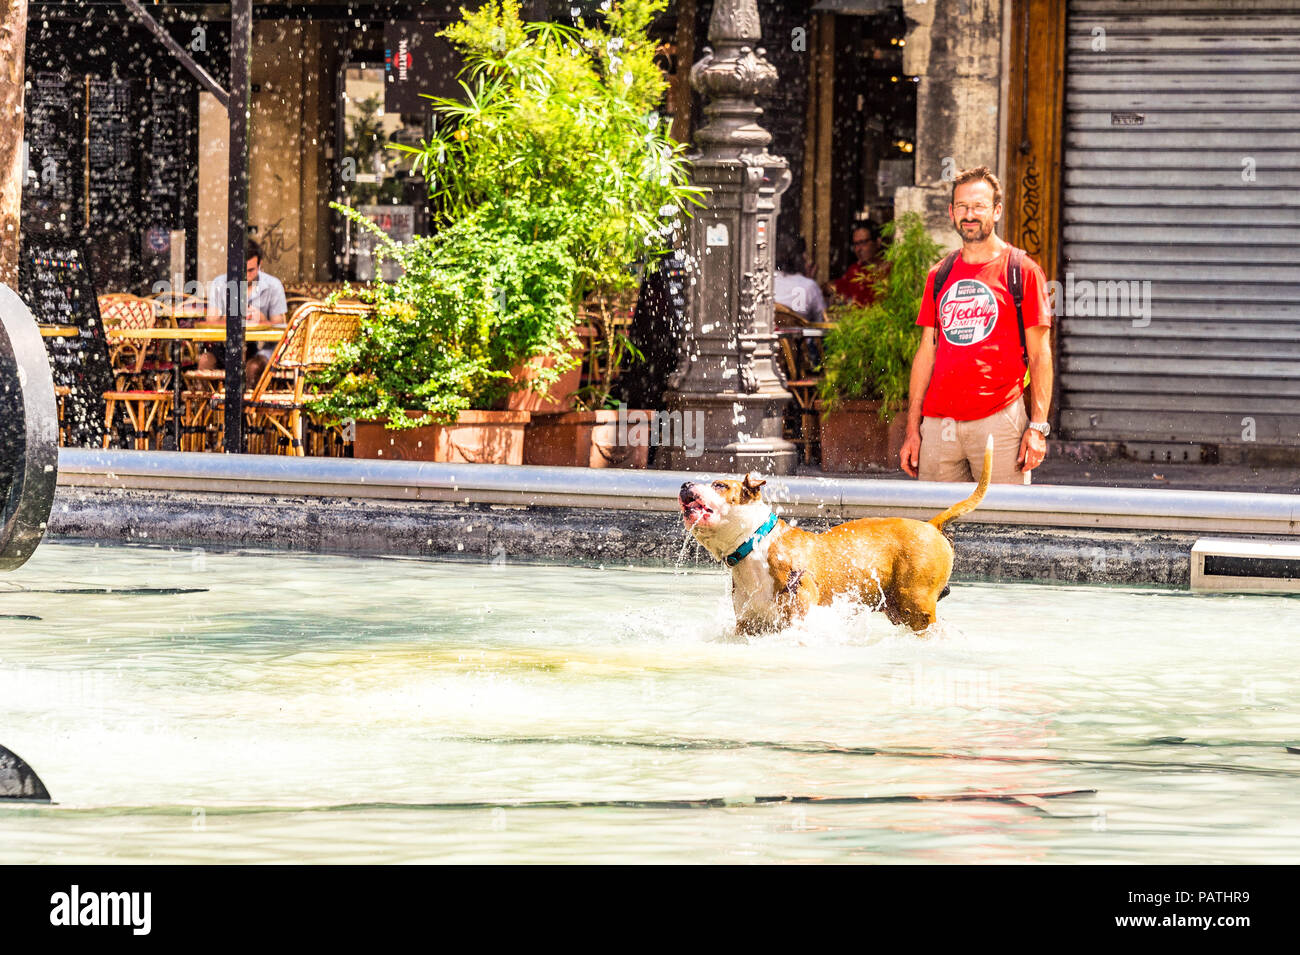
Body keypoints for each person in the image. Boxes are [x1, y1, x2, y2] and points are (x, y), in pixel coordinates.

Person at [899, 165, 1053, 485]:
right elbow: (926, 353)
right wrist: (913, 429)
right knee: (934, 530)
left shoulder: (1022, 270)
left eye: (979, 207)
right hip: (939, 425)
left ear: (996, 211)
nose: (970, 215)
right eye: (962, 207)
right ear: (951, 213)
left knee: (1004, 528)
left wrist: (1037, 428)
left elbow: (1040, 356)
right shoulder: (939, 275)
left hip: (999, 420)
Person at [202, 240, 288, 382]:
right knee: (205, 361)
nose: (245, 275)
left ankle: (249, 404)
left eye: (251, 270)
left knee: (253, 367)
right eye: (241, 269)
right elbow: (211, 321)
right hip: (227, 346)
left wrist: (261, 318)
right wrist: (232, 316)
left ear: (260, 266)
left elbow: (280, 325)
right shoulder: (219, 283)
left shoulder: (273, 285)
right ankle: (206, 404)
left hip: (261, 348)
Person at [773, 233, 826, 323]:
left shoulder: (768, 280)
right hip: (799, 337)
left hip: (770, 335)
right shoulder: (809, 286)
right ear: (802, 257)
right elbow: (821, 320)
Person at [830, 221, 884, 306]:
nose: (858, 249)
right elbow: (836, 287)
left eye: (863, 243)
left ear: (878, 242)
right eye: (856, 244)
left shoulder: (892, 271)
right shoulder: (855, 271)